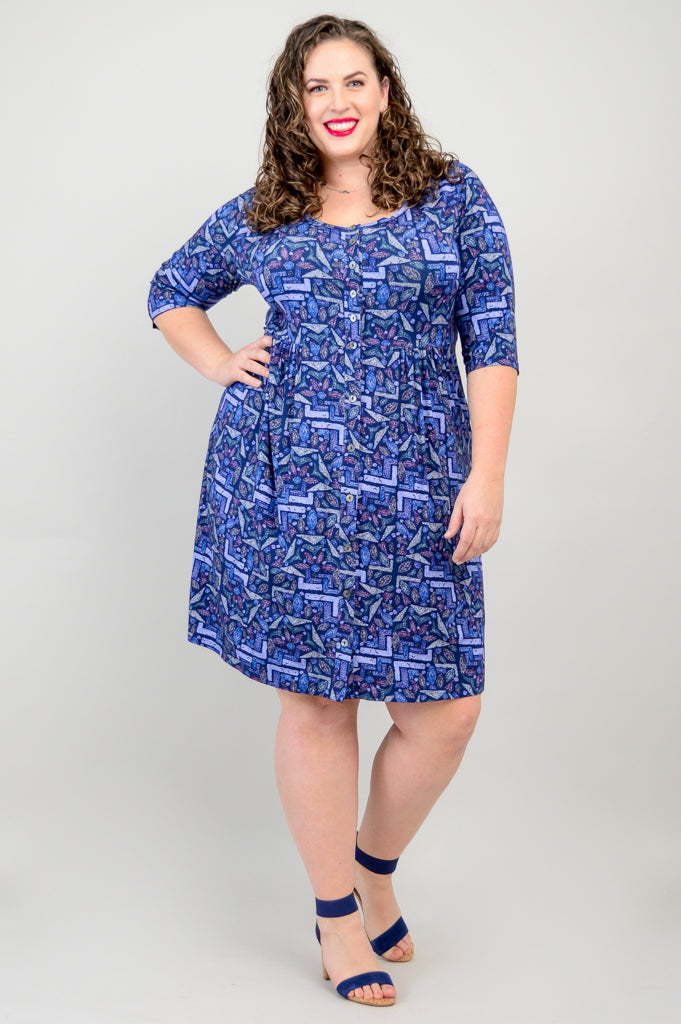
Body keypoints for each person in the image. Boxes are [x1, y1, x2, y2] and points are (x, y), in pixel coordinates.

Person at [147, 13, 518, 1008]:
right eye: (317, 86)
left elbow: (492, 342)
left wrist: (487, 476)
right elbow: (171, 290)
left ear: (385, 92)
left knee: (445, 712)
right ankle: (335, 915)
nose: (339, 102)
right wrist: (220, 362)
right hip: (290, 489)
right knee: (316, 705)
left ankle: (372, 867)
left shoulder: (452, 196)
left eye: (355, 81)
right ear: (294, 104)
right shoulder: (268, 209)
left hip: (421, 488)